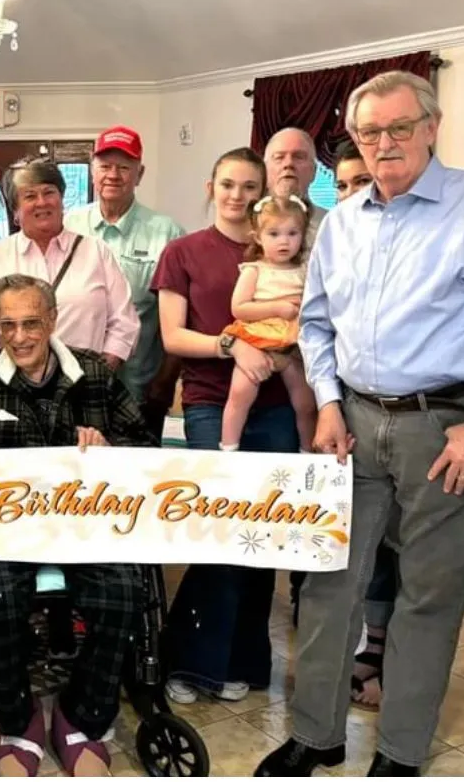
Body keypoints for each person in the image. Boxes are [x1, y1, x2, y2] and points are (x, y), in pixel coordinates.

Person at [256, 71, 464, 777]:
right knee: (329, 583)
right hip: (354, 424)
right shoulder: (343, 222)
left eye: (399, 127)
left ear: (431, 127)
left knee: (428, 593)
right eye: (369, 132)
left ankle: (399, 752)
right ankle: (316, 734)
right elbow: (316, 322)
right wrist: (327, 402)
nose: (384, 143)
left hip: (447, 429)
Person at [0, 274, 154, 777]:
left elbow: (146, 447)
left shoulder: (94, 373)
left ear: (53, 320)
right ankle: (18, 722)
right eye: (7, 325)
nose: (19, 337)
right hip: (5, 530)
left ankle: (83, 715)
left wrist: (109, 447)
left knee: (124, 590)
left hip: (85, 525)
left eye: (31, 323)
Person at [153, 148, 295, 706]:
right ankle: (191, 661)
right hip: (212, 403)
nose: (237, 196)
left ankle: (244, 661)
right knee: (221, 530)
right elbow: (172, 335)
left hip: (278, 405)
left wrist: (281, 357)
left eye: (249, 187)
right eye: (228, 184)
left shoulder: (284, 246)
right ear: (211, 187)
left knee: (263, 534)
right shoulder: (184, 252)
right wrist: (231, 346)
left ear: (263, 194)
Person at [0, 156, 139, 368]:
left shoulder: (97, 252)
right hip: (8, 382)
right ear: (15, 210)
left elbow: (124, 324)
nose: (41, 202)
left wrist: (101, 373)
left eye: (49, 192)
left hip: (84, 380)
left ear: (62, 200)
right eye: (30, 196)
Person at [64, 125, 184, 438]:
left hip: (140, 390)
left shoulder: (167, 233)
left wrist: (165, 383)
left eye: (124, 167)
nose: (113, 175)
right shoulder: (68, 226)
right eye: (105, 166)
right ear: (93, 172)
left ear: (139, 174)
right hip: (74, 390)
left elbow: (180, 318)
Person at [220, 194, 318, 452]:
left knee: (306, 403)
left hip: (293, 345)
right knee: (240, 394)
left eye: (292, 233)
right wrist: (277, 307)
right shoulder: (254, 270)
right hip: (258, 341)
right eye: (274, 234)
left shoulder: (306, 270)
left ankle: (308, 452)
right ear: (258, 237)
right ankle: (228, 448)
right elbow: (239, 308)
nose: (284, 241)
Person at [263, 127, 326, 250]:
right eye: (279, 157)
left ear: (314, 171)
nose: (288, 164)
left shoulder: (330, 224)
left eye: (299, 157)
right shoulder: (246, 223)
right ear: (264, 170)